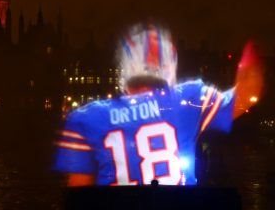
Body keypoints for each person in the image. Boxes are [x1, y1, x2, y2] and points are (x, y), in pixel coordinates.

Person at [54, 23, 263, 186]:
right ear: (169, 66)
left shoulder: (85, 119)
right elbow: (246, 95)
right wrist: (251, 52)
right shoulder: (189, 99)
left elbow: (79, 197)